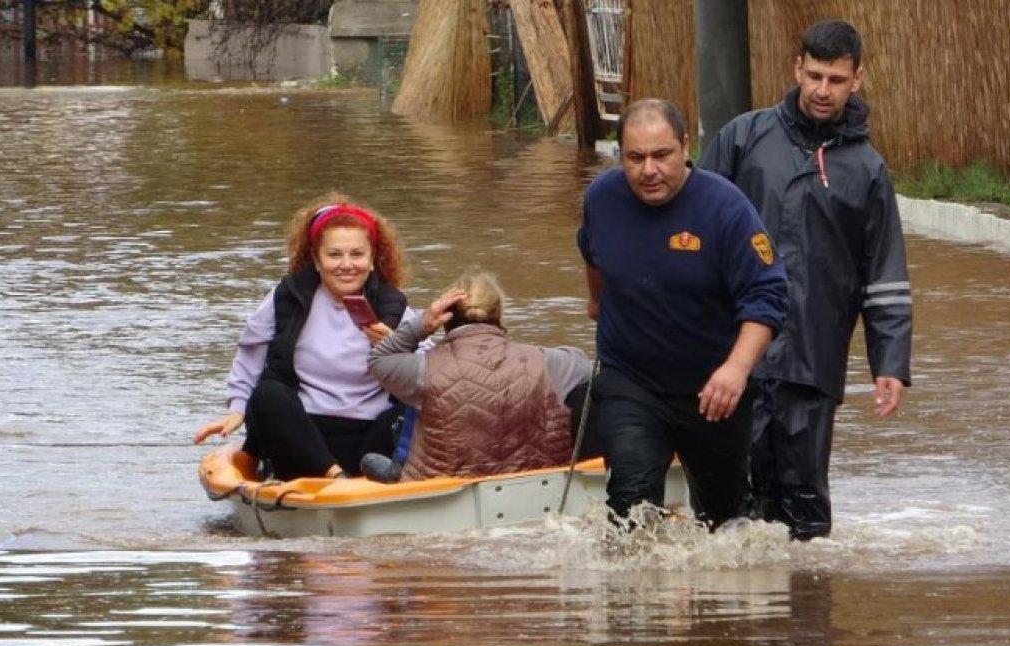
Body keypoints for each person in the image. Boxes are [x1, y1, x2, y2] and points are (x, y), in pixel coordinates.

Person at [699, 20, 913, 540]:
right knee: (727, 508)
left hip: (812, 362)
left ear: (857, 79)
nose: (822, 90)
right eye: (814, 75)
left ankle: (807, 611)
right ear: (797, 69)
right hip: (733, 359)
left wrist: (890, 364)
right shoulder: (743, 138)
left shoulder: (866, 171)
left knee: (805, 512)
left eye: (835, 80)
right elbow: (694, 234)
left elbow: (884, 273)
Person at [578, 98, 789, 529]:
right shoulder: (602, 199)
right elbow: (593, 254)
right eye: (635, 158)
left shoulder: (726, 208)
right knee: (631, 500)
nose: (649, 170)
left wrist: (736, 369)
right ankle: (633, 596)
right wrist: (597, 301)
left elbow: (768, 295)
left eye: (661, 156)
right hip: (631, 380)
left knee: (724, 519)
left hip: (713, 389)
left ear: (685, 146)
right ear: (620, 156)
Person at [194, 192, 419, 481]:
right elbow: (251, 354)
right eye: (335, 254)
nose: (346, 264)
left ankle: (356, 483)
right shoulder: (288, 297)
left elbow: (429, 380)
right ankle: (336, 478)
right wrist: (237, 408)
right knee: (267, 395)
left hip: (371, 442)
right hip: (302, 435)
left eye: (357, 254)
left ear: (373, 259)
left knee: (412, 413)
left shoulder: (395, 307)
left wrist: (395, 350)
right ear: (315, 258)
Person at [365, 269, 593, 481]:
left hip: (443, 492)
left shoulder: (424, 369)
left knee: (372, 455)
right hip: (534, 485)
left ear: (446, 318)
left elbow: (379, 358)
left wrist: (422, 325)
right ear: (500, 316)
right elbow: (587, 366)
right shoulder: (545, 361)